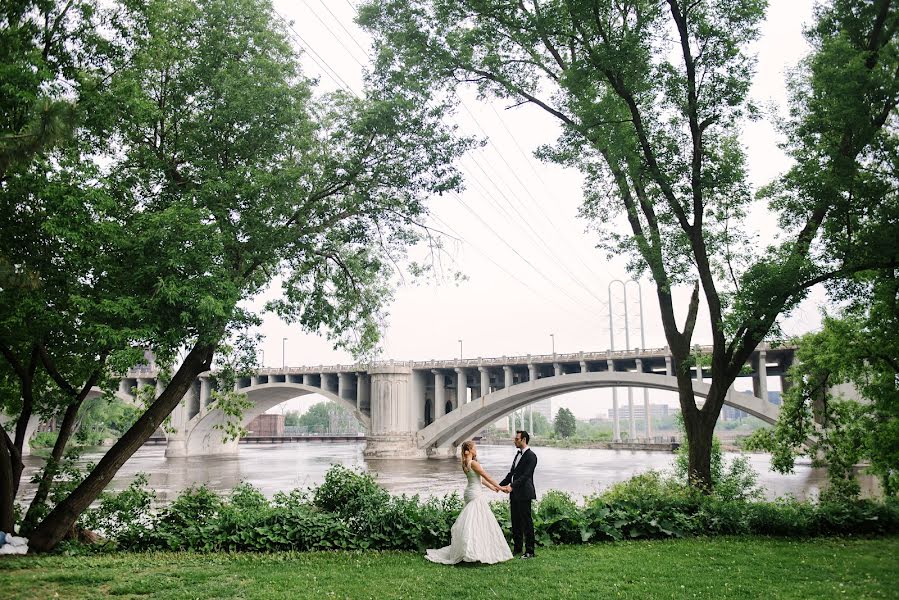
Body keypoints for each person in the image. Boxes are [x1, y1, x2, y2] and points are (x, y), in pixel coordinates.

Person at [425, 440, 514, 564]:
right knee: (479, 520)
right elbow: (487, 476)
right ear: (469, 450)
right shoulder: (474, 463)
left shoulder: (465, 464)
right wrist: (501, 487)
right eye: (474, 448)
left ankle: (472, 549)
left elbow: (480, 480)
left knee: (472, 520)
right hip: (475, 493)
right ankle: (475, 550)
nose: (476, 449)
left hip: (470, 492)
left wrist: (493, 488)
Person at [499, 430, 537, 559]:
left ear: (524, 440)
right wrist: (499, 486)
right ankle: (517, 548)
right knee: (515, 522)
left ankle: (530, 551)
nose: (514, 441)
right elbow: (512, 474)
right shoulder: (517, 454)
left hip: (525, 493)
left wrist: (511, 486)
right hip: (515, 494)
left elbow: (526, 476)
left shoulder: (532, 456)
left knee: (527, 522)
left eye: (517, 439)